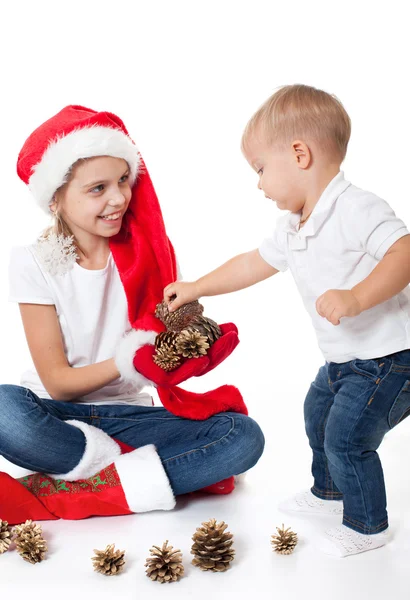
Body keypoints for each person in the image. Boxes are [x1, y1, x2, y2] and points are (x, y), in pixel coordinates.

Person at [164, 84, 410, 557]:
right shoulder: (293, 226)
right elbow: (251, 264)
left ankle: (367, 524)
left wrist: (357, 296)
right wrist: (196, 287)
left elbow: (403, 253)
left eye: (260, 169)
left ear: (299, 154)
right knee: (317, 414)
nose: (258, 184)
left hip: (388, 360)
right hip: (345, 361)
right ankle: (329, 493)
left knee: (348, 436)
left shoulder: (357, 208)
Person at [0, 105, 264, 524]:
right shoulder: (32, 263)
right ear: (56, 198)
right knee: (3, 409)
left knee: (242, 438)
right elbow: (58, 383)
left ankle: (75, 491)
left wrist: (192, 345)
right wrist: (127, 359)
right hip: (56, 413)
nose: (119, 197)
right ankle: (126, 473)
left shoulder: (151, 253)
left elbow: (170, 341)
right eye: (97, 188)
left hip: (129, 416)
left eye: (124, 180)